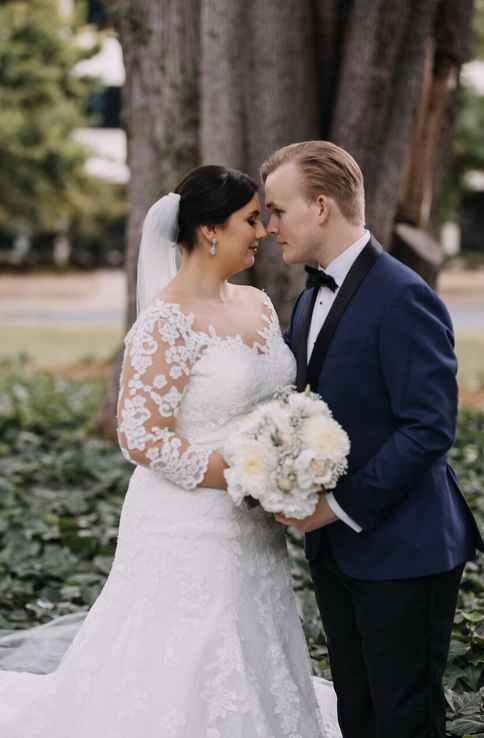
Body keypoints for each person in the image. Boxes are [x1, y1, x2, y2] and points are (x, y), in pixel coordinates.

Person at [0, 165, 340, 737]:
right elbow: (142, 436)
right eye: (251, 220)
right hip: (188, 524)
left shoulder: (257, 304)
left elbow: (274, 401)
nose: (263, 231)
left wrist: (289, 457)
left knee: (255, 641)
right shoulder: (166, 322)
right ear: (210, 230)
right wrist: (247, 478)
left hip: (255, 528)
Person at [261, 140, 484, 738]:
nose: (268, 226)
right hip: (338, 554)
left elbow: (429, 428)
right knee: (357, 714)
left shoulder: (404, 294)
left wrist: (335, 507)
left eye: (278, 210)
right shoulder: (309, 298)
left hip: (406, 553)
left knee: (404, 720)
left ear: (322, 206)